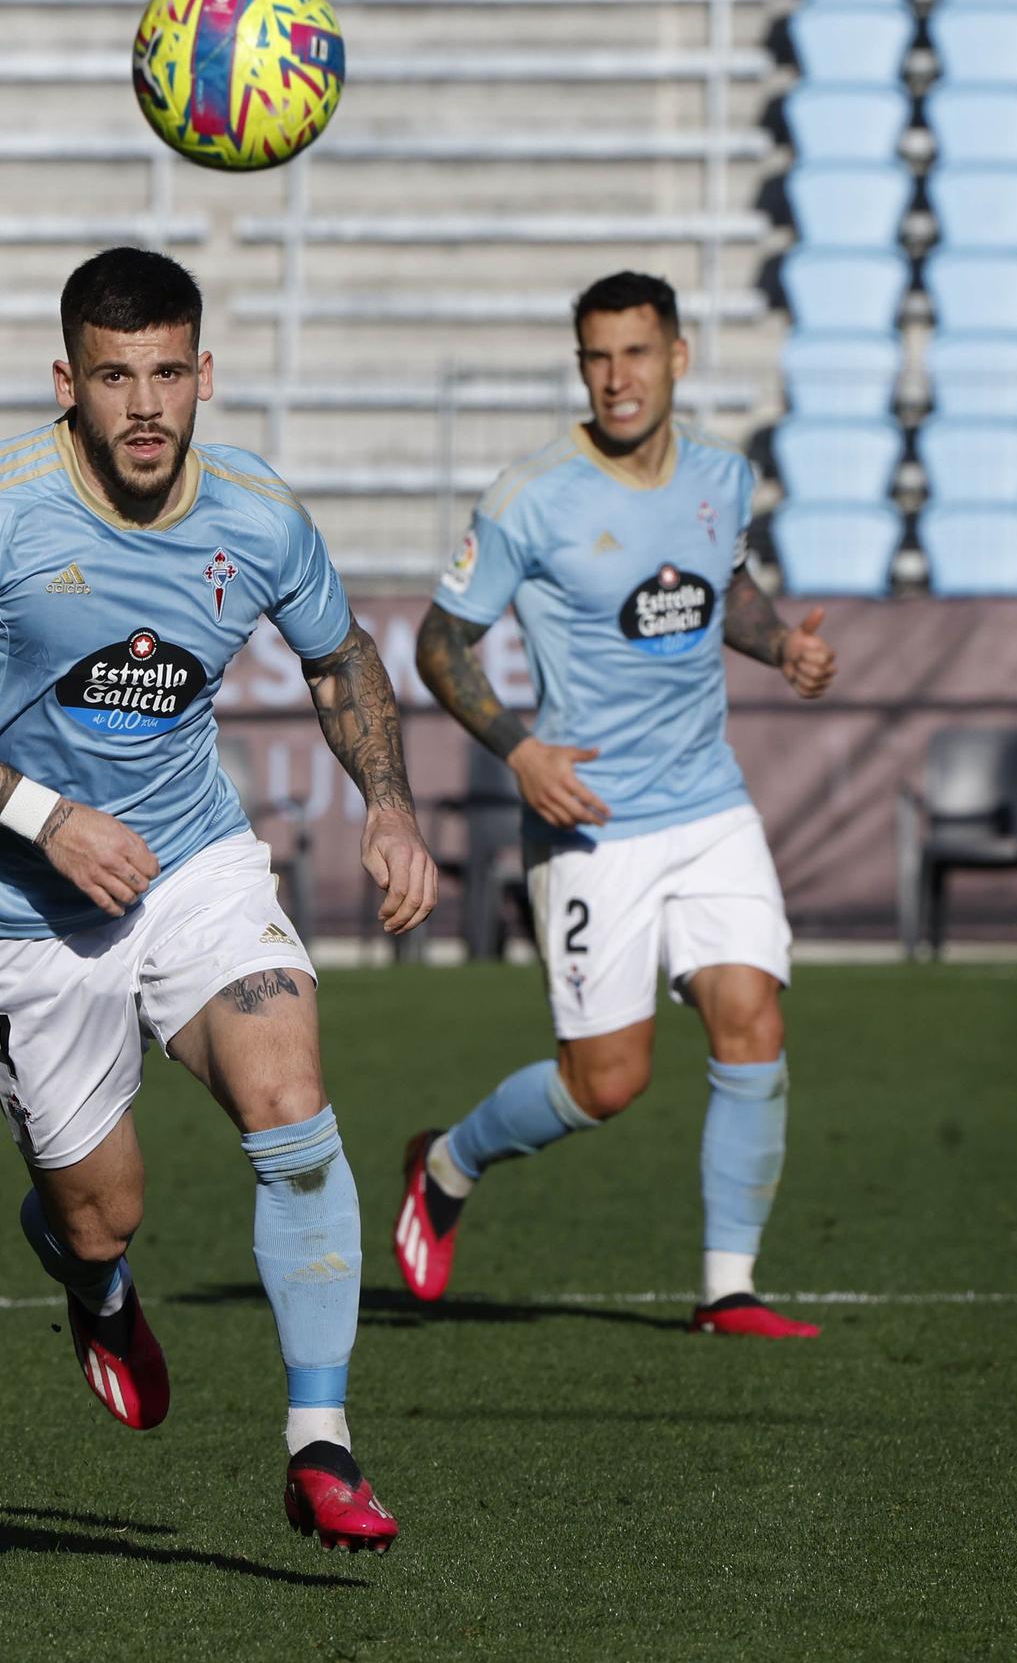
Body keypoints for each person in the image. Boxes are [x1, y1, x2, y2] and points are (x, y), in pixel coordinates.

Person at [0, 247, 437, 1551]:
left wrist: (388, 800)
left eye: (171, 371)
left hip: (192, 864)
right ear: (70, 381)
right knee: (103, 1206)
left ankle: (321, 1445)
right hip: (19, 898)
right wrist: (46, 818)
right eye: (117, 376)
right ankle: (92, 1278)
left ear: (205, 371)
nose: (148, 404)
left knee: (291, 1100)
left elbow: (341, 660)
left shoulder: (260, 514)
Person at [400, 270, 837, 1339]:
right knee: (604, 1083)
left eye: (634, 353)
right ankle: (446, 1161)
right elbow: (436, 640)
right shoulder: (529, 496)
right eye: (595, 357)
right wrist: (517, 750)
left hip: (708, 802)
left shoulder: (722, 479)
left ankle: (724, 1287)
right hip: (591, 817)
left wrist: (778, 642)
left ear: (675, 357)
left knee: (751, 1018)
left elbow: (719, 583)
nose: (615, 378)